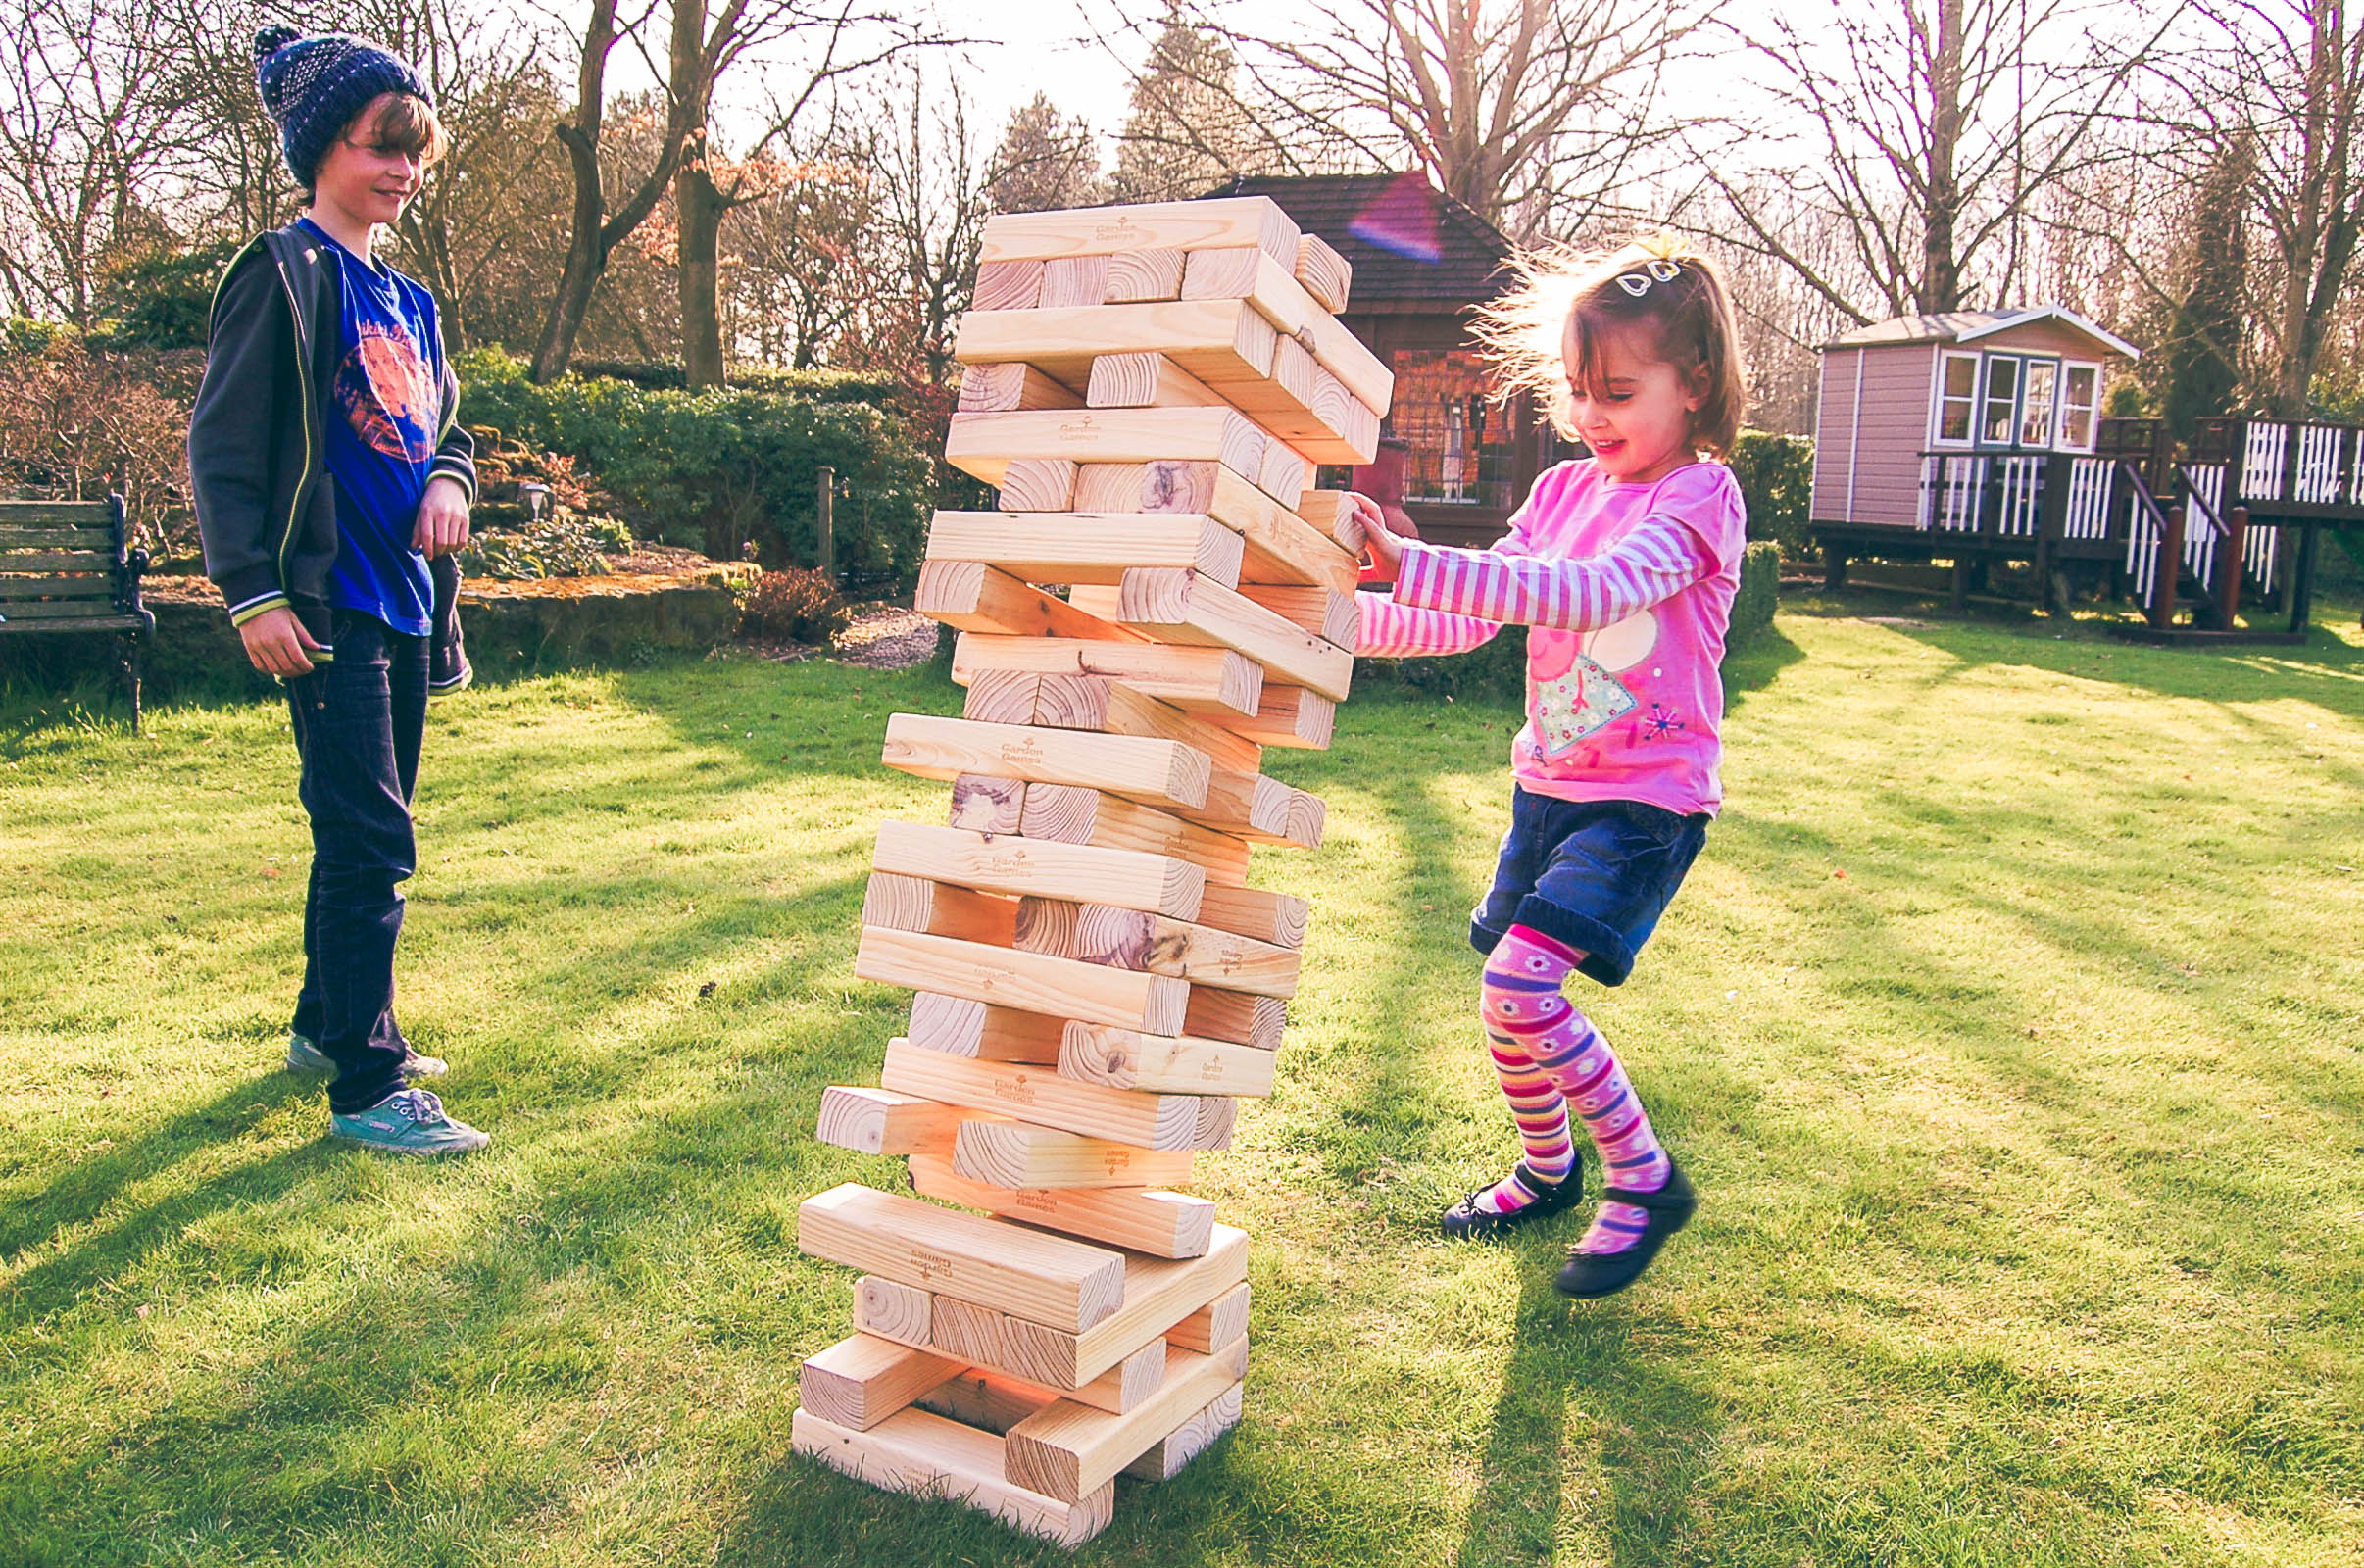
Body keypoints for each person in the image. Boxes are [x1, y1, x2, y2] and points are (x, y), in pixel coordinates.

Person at [1351, 238, 1749, 1298]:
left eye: (1619, 390)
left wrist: (1412, 559)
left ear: (1695, 382)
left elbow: (1594, 595)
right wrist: (1335, 621)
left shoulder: (1698, 502)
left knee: (1521, 985)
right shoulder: (1566, 489)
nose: (1594, 415)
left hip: (1643, 803)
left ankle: (1646, 1180)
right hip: (1550, 789)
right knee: (1506, 1002)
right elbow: (1467, 617)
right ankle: (1546, 1171)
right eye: (1579, 392)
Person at [188, 25, 486, 1155]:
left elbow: (445, 423)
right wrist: (253, 593)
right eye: (382, 146)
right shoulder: (283, 276)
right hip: (327, 608)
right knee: (372, 838)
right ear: (324, 149)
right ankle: (367, 1084)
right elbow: (221, 448)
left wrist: (451, 478)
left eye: (417, 151)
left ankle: (328, 1025)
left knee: (360, 827)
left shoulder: (409, 300)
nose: (403, 170)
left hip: (408, 602)